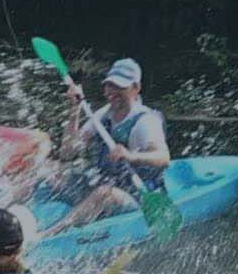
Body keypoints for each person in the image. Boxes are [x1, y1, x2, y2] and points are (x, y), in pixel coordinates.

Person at [42, 58, 171, 234]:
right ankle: (0, 207)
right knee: (47, 169)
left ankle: (50, 234)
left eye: (119, 86)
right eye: (109, 85)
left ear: (136, 88)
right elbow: (68, 152)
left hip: (137, 196)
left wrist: (130, 156)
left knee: (105, 193)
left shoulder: (145, 121)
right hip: (105, 183)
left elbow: (163, 157)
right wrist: (75, 109)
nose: (111, 91)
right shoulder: (103, 116)